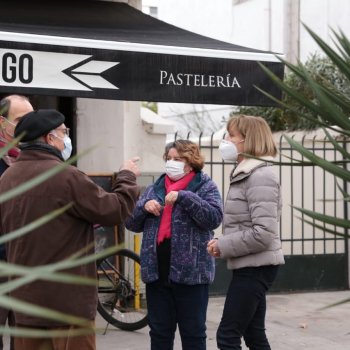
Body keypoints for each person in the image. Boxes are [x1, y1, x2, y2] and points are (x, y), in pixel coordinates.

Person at [0, 109, 140, 350]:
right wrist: (126, 177)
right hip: (67, 304)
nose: (66, 138)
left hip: (26, 302)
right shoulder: (66, 176)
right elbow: (113, 210)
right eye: (64, 132)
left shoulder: (8, 178)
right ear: (49, 138)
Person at [125, 140, 223, 350]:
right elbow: (131, 223)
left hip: (192, 276)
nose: (172, 163)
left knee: (193, 334)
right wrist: (143, 207)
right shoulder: (155, 188)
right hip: (157, 275)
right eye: (169, 159)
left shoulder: (205, 186)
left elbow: (213, 218)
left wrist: (184, 197)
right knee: (159, 333)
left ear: (191, 162)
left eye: (177, 159)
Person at [207, 115, 284, 350]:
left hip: (256, 268)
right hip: (250, 265)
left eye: (231, 135)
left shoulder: (261, 176)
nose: (226, 140)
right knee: (254, 335)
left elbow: (263, 233)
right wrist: (223, 242)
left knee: (228, 336)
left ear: (246, 140)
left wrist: (223, 244)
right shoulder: (246, 173)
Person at [0, 94, 33, 350]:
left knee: (26, 339)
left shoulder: (35, 158)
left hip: (28, 265)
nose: (28, 126)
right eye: (20, 120)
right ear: (2, 123)